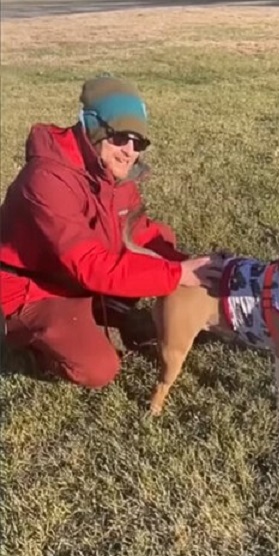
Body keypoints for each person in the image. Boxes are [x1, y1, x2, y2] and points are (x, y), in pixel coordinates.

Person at [0, 75, 224, 388]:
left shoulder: (113, 173)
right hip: (32, 289)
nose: (129, 151)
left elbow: (138, 233)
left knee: (162, 240)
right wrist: (175, 275)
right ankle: (30, 341)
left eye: (139, 143)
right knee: (99, 369)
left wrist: (193, 265)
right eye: (120, 137)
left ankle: (101, 312)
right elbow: (90, 266)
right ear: (94, 129)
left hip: (79, 276)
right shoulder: (47, 179)